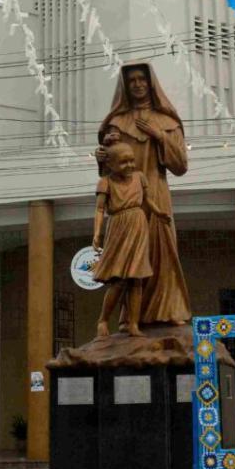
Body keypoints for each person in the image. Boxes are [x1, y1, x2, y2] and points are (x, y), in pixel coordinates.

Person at [95, 63, 191, 326]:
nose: (137, 84)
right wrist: (102, 157)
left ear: (151, 83)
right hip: (126, 200)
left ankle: (168, 312)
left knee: (162, 253)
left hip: (156, 194)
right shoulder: (116, 123)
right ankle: (131, 321)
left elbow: (180, 165)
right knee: (129, 261)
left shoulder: (168, 122)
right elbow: (108, 171)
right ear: (125, 86)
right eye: (132, 80)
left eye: (141, 79)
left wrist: (160, 135)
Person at [91, 142, 153, 338]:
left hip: (138, 225)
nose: (129, 165)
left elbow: (148, 201)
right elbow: (100, 209)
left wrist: (160, 212)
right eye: (124, 162)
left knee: (136, 279)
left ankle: (133, 324)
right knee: (117, 280)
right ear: (111, 164)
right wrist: (96, 233)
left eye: (131, 161)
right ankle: (102, 320)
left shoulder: (139, 177)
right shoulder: (106, 182)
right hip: (118, 226)